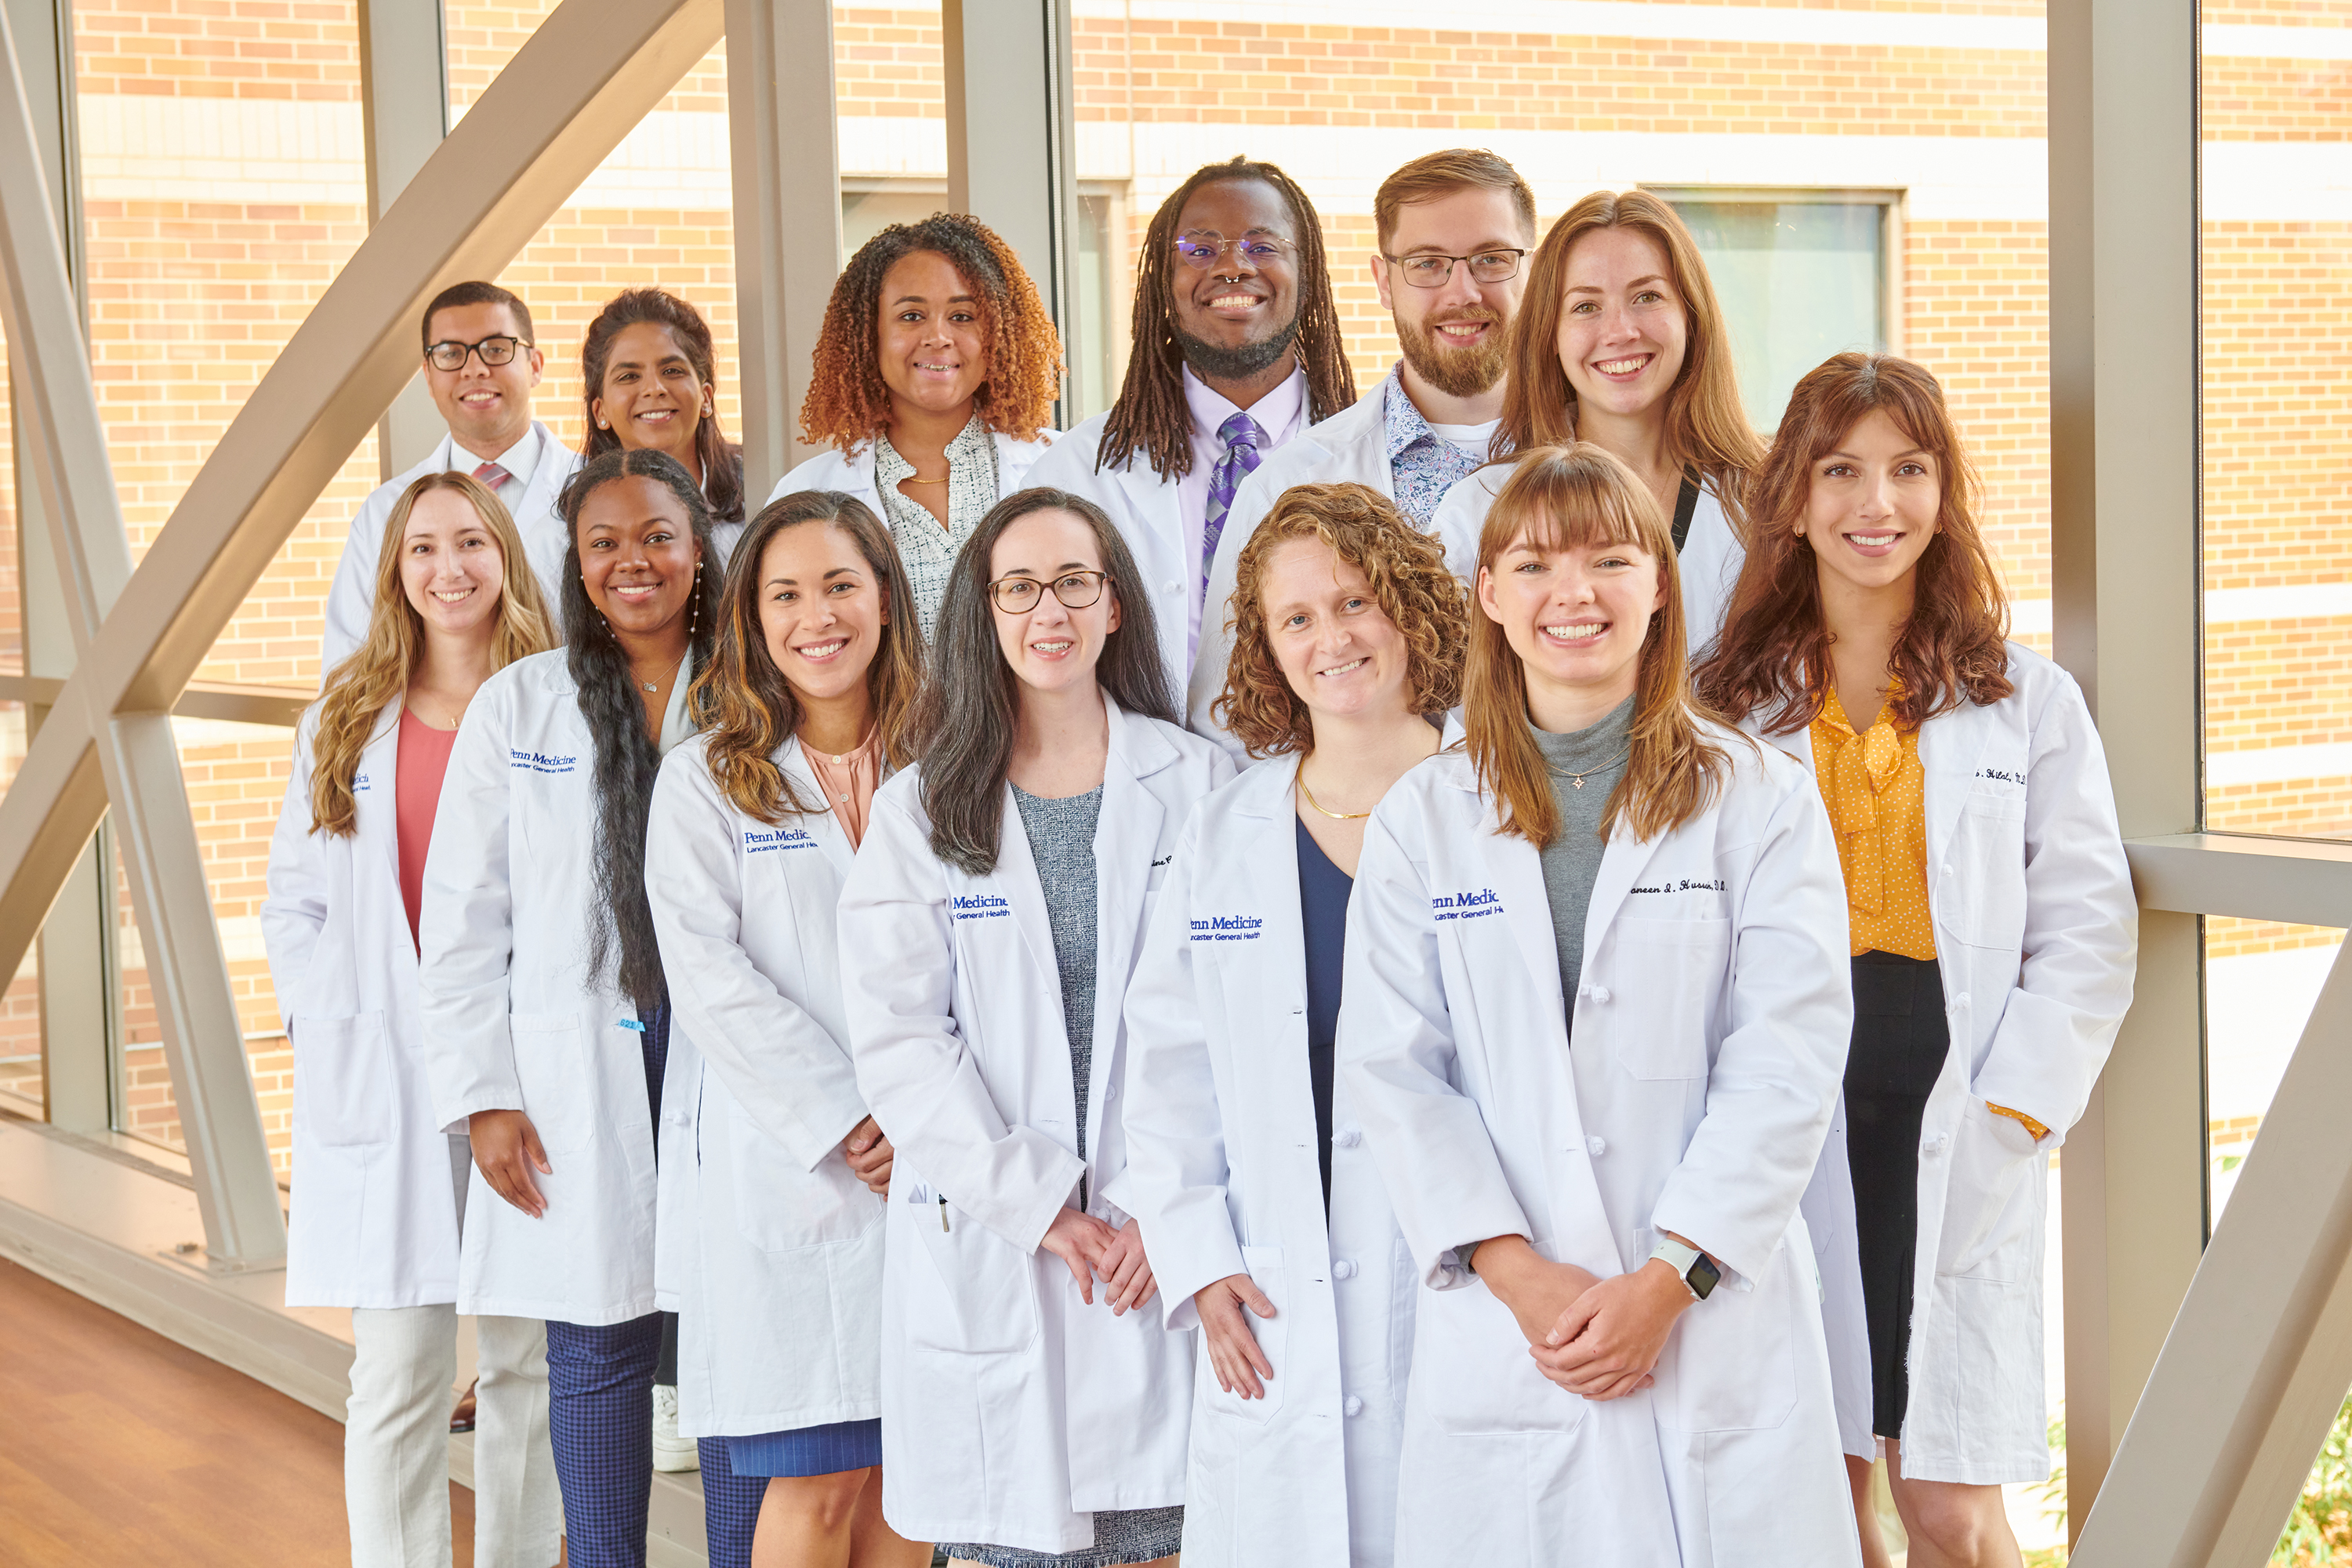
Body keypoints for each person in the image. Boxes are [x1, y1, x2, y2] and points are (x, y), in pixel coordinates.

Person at [1340, 443, 1860, 1566]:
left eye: (1610, 560)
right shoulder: (1425, 817)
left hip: (1708, 1318)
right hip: (1511, 1325)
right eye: (1532, 566)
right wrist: (1519, 1277)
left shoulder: (1759, 799)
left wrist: (1672, 1281)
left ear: (1661, 583)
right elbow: (1392, 1069)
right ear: (1488, 594)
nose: (1572, 595)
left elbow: (1789, 1059)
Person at [1693, 354, 2137, 1568]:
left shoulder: (2025, 700)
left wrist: (2010, 1110)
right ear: (1792, 495)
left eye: (1907, 469)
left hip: (1960, 1119)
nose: (1873, 503)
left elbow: (2089, 932)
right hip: (1791, 1112)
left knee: (1950, 1507)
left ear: (1943, 494)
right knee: (1819, 1491)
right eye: (1840, 470)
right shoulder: (1722, 708)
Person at [838, 488, 1232, 1564]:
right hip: (1003, 1237)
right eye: (1019, 587)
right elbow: (900, 1038)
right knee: (1020, 1538)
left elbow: (1231, 1023)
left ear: (1115, 608)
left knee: (1166, 1534)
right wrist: (1039, 1204)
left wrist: (1162, 1203)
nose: (1047, 610)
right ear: (985, 612)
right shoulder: (923, 807)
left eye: (1073, 582)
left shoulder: (1200, 784)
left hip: (1161, 1235)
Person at [416, 449, 765, 1567]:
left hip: (734, 1055)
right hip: (581, 1067)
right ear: (575, 560)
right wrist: (485, 1096)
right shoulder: (523, 702)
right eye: (604, 542)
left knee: (736, 1340)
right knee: (598, 1342)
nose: (634, 561)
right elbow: (465, 917)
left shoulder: (759, 690)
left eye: (658, 535)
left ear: (700, 549)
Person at [1120, 482, 1468, 1567]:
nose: (1334, 639)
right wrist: (1199, 1257)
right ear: (1267, 649)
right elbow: (1169, 1069)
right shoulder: (1228, 830)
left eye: (1357, 602)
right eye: (1298, 619)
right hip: (1272, 1285)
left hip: (1458, 1279)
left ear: (1409, 609)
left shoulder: (1494, 806)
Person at [263, 471, 563, 1568]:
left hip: (524, 1067)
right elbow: (291, 903)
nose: (451, 568)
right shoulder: (342, 721)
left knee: (529, 1359)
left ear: (505, 557)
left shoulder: (555, 705)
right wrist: (327, 1023)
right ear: (396, 570)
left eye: (472, 543)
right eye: (426, 547)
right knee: (397, 1368)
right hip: (387, 1071)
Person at [643, 490, 935, 1568]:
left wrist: (923, 1114)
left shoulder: (946, 759)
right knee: (812, 1488)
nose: (818, 616)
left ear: (887, 601)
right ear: (754, 623)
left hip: (932, 1172)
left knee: (914, 1486)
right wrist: (854, 1117)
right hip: (795, 1177)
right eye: (787, 594)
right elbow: (712, 984)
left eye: (841, 585)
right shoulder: (708, 782)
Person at [1184, 149, 1534, 751]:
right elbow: (1234, 724)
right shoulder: (1287, 485)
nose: (1462, 291)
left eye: (1491, 259)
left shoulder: (1603, 460)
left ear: (1534, 270)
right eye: (1427, 264)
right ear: (1382, 280)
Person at [1026, 156, 1355, 697]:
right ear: (1164, 279)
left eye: (1263, 247)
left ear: (1309, 273)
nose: (1232, 267)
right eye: (1200, 250)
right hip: (1146, 776)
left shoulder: (1367, 453)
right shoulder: (1075, 473)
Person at [1431, 189, 1762, 665]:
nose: (1620, 331)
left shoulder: (1762, 503)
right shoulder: (1479, 509)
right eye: (1586, 306)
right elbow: (1459, 713)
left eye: (1647, 297)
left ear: (1692, 317)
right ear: (1550, 335)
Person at [768, 213, 1063, 641]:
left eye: (962, 316)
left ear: (998, 333)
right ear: (868, 337)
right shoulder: (804, 495)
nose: (938, 337)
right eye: (911, 316)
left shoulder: (1065, 468)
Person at [323, 280, 582, 669]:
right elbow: (350, 669)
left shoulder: (596, 492)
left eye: (496, 349)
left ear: (535, 366)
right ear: (428, 376)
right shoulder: (384, 512)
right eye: (450, 354)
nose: (474, 369)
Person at [583, 286, 750, 564]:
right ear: (600, 410)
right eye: (629, 376)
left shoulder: (762, 492)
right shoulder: (566, 525)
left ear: (706, 397)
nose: (654, 389)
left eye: (672, 371)